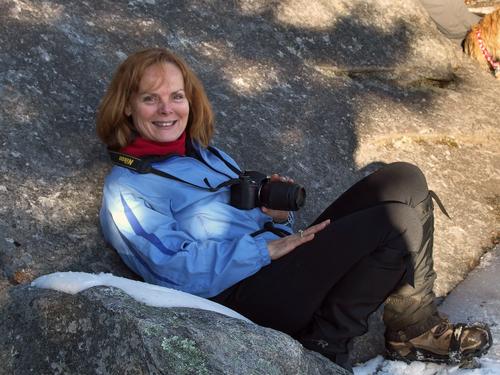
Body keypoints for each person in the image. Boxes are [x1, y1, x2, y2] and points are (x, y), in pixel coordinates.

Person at [96, 48, 492, 372]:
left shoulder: (207, 155)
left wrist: (274, 216)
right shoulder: (128, 185)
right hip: (240, 295)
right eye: (150, 98)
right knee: (397, 222)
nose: (167, 109)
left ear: (189, 100)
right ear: (127, 107)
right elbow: (172, 269)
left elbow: (238, 219)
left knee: (402, 179)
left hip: (278, 268)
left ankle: (412, 326)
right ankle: (325, 346)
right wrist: (264, 251)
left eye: (176, 96)